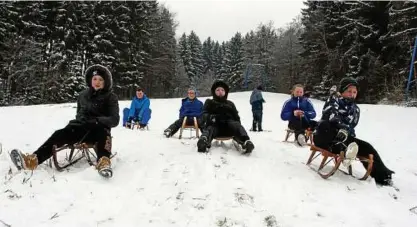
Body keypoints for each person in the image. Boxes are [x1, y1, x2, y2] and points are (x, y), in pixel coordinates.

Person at [9, 64, 120, 178]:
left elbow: (114, 119)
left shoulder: (111, 97)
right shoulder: (82, 95)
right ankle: (32, 160)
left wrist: (97, 120)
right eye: (95, 79)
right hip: (82, 129)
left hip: (99, 130)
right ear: (90, 80)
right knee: (59, 134)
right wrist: (79, 121)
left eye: (101, 79)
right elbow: (79, 113)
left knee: (103, 134)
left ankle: (104, 162)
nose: (97, 82)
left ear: (106, 82)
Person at [313, 77, 395, 186]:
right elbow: (331, 117)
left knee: (367, 147)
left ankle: (384, 176)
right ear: (342, 91)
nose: (352, 94)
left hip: (345, 138)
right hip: (325, 136)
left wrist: (347, 132)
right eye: (349, 91)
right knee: (325, 125)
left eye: (354, 92)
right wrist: (341, 127)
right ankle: (345, 151)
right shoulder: (334, 100)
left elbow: (352, 126)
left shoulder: (356, 109)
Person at [197, 80, 254, 154]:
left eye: (222, 90)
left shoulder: (230, 104)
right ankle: (203, 141)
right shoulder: (209, 102)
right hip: (215, 127)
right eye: (217, 90)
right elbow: (203, 115)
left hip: (229, 127)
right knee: (210, 128)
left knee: (236, 125)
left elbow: (237, 118)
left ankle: (246, 142)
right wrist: (211, 117)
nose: (220, 91)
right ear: (214, 92)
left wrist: (236, 125)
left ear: (225, 92)